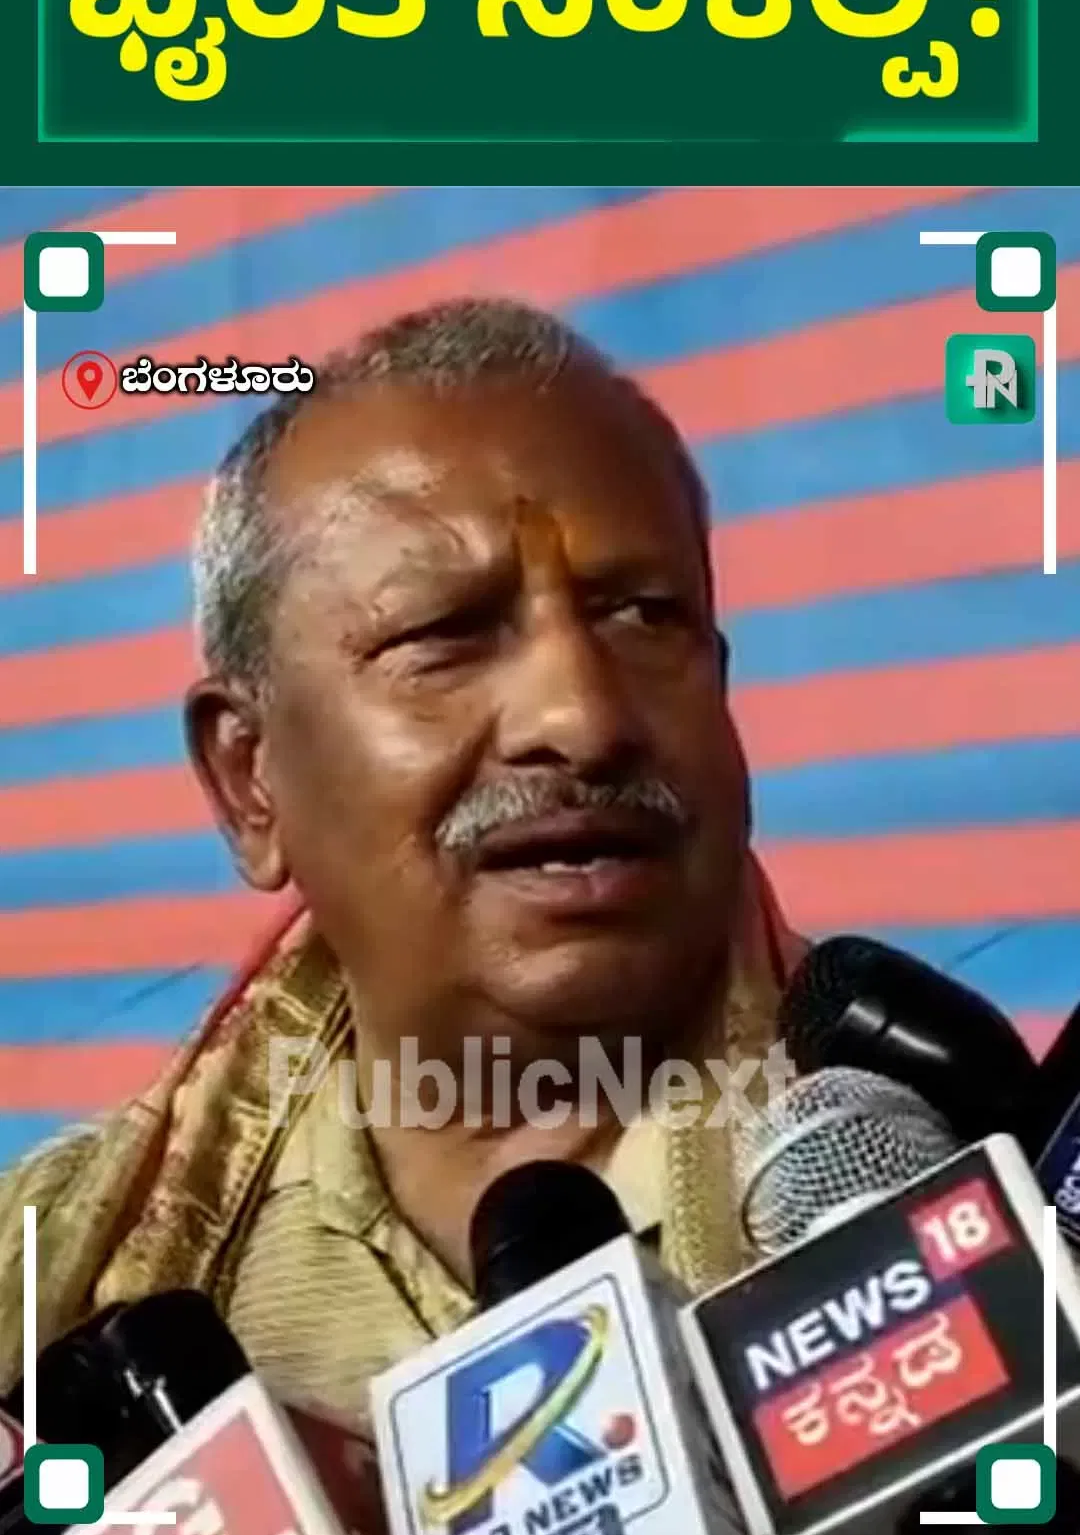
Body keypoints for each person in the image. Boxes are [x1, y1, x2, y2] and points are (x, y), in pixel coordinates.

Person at [0, 298, 802, 1422]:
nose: (581, 718)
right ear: (248, 778)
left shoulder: (960, 1177)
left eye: (642, 617)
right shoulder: (46, 1288)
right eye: (445, 637)